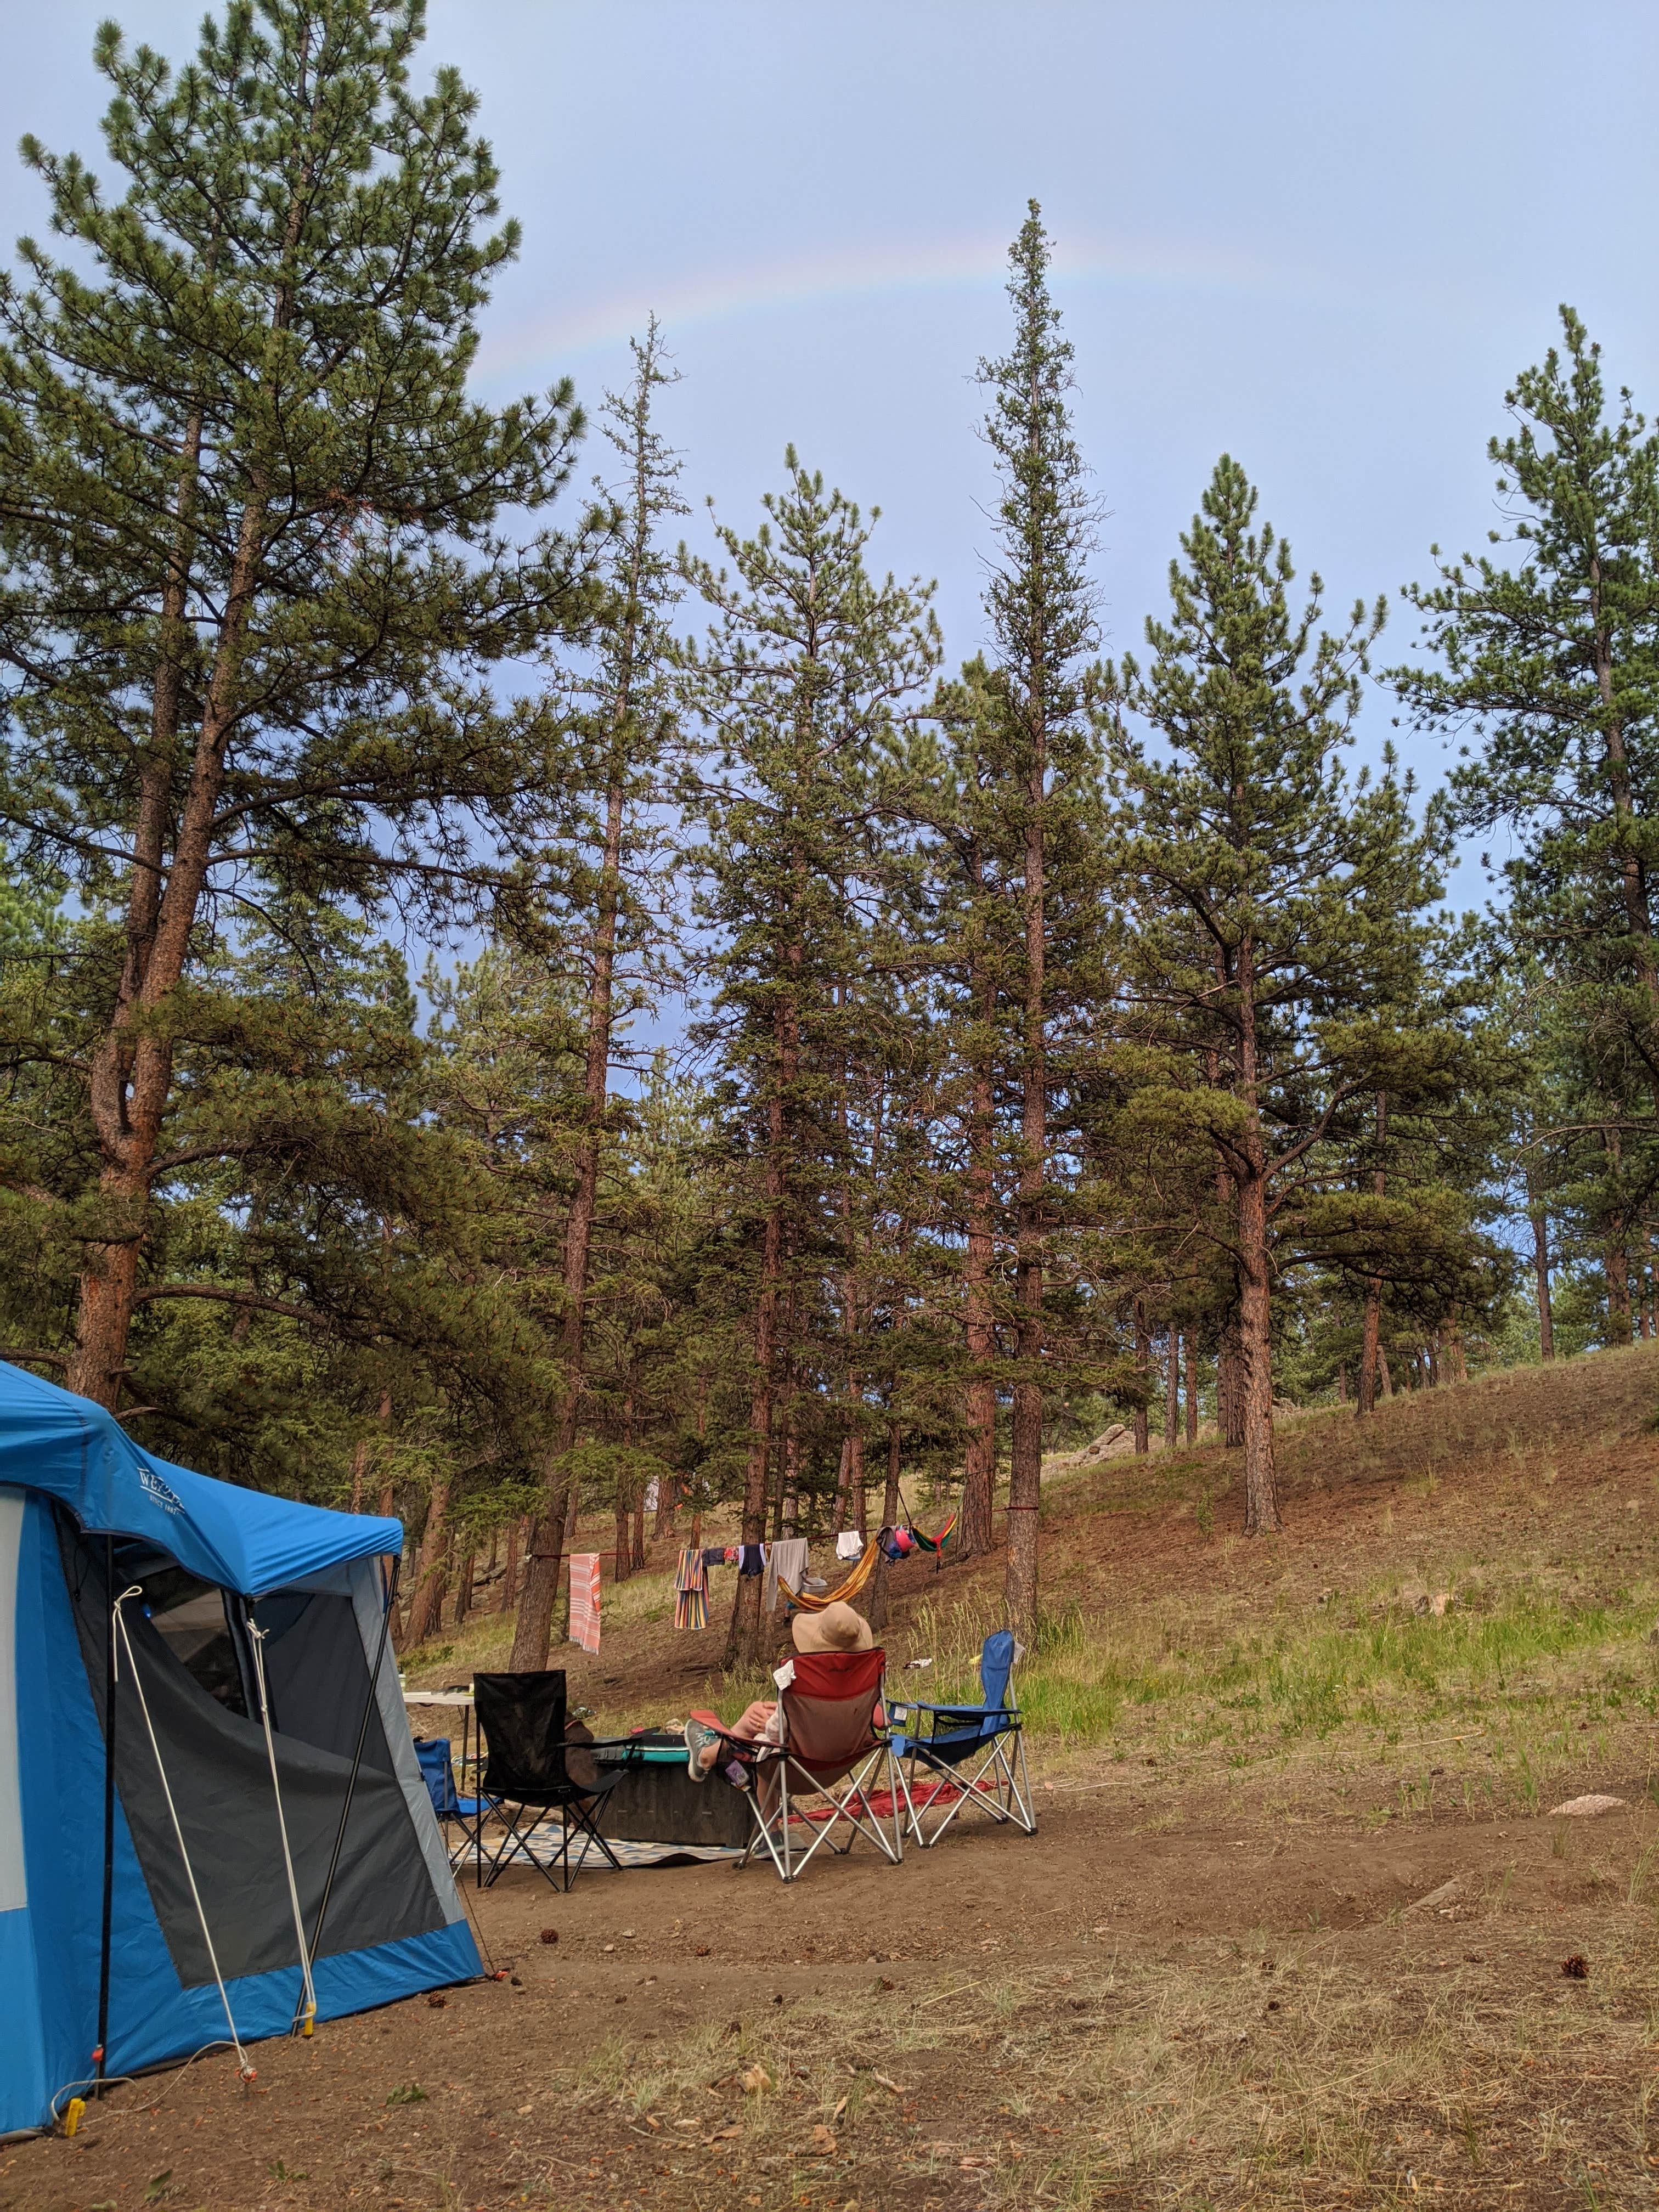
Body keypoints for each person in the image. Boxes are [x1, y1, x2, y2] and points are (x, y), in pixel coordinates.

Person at [684, 1600, 874, 1782]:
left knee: (755, 1719)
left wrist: (771, 1722)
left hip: (797, 1768)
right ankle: (710, 1754)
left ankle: (708, 1756)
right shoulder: (866, 1678)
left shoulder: (802, 1676)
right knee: (759, 1712)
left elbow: (776, 1733)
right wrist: (791, 1711)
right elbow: (876, 1719)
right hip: (845, 1760)